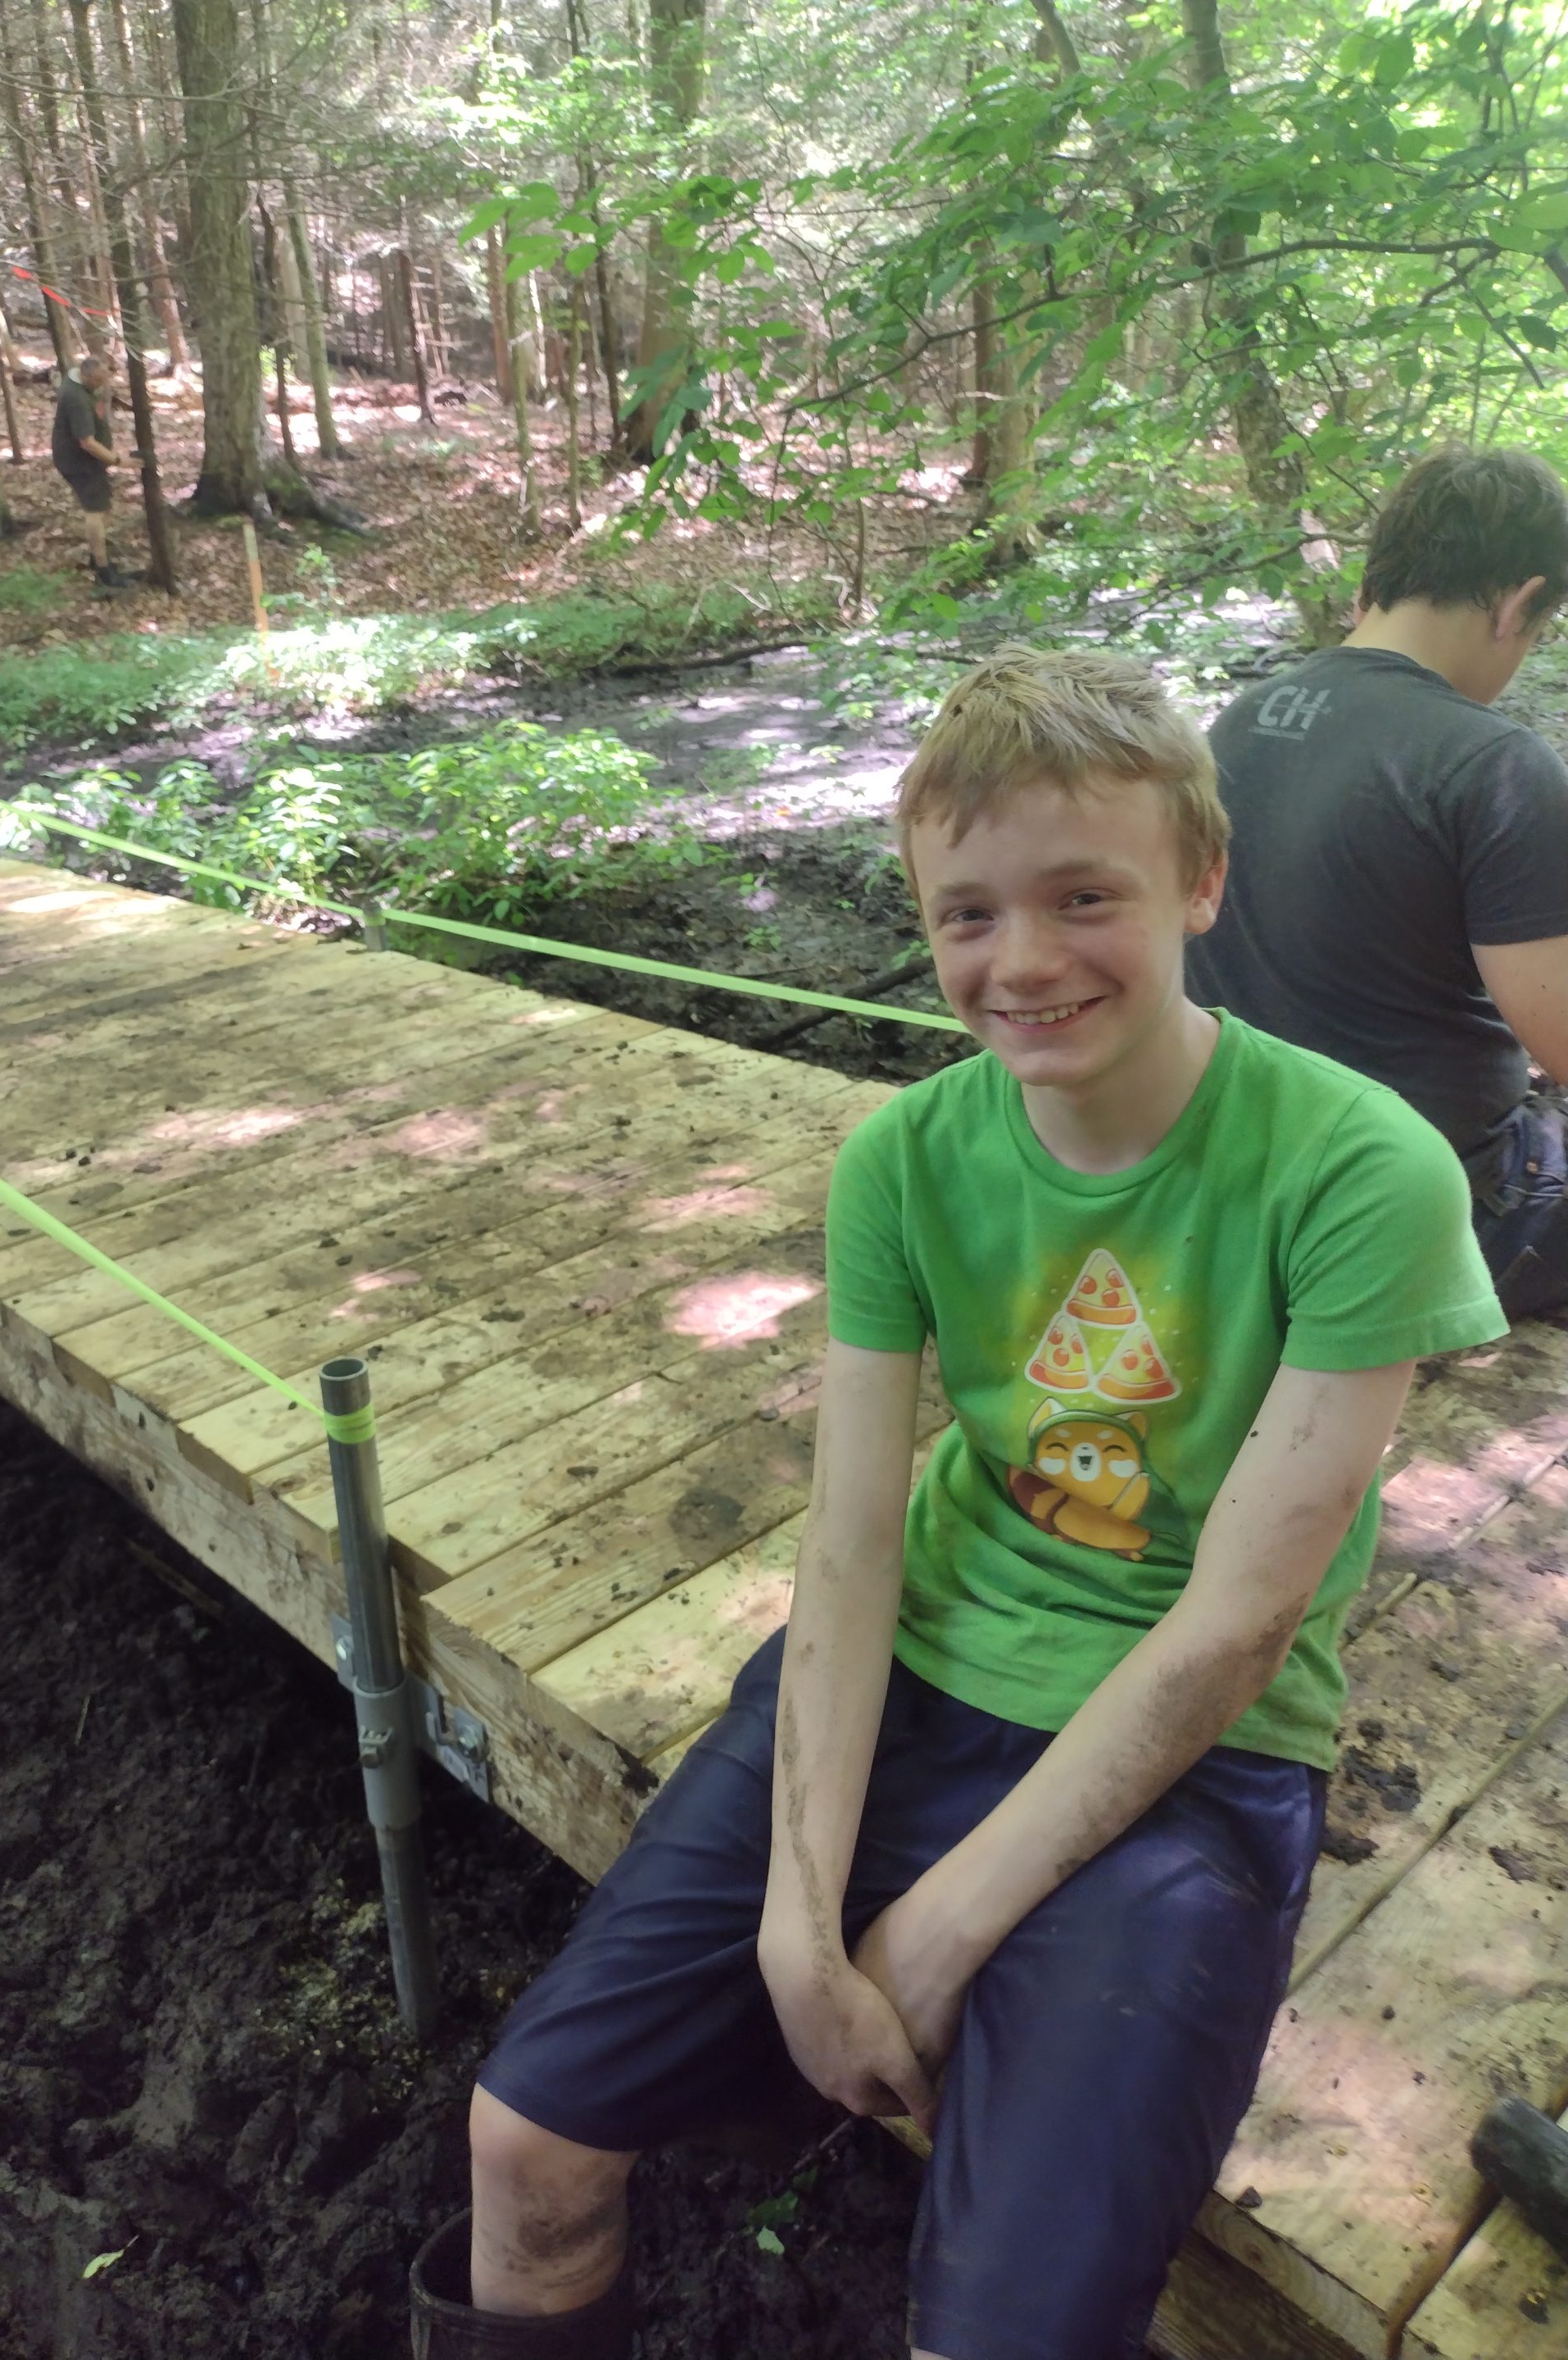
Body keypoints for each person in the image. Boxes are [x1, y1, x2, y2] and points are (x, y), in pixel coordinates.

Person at [406, 647, 1506, 2360]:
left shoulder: (1362, 1171)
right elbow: (845, 1550)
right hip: (909, 1683)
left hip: (1196, 1770)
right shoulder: (905, 1159)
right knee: (523, 2140)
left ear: (1202, 881)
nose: (1026, 963)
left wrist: (933, 1932)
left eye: (1086, 898)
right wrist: (799, 1920)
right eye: (968, 916)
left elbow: (1237, 1622)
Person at [1188, 443, 1568, 1316]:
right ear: (1521, 603)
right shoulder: (1494, 763)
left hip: (1239, 1191)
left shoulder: (1243, 719)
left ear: (1373, 584)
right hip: (1433, 1212)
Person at [50, 347, 129, 589]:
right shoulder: (77, 398)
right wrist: (117, 460)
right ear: (86, 377)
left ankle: (98, 556)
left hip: (89, 461)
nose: (101, 386)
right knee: (95, 511)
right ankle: (103, 570)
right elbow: (87, 442)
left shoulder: (77, 377)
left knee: (103, 507)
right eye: (98, 382)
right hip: (79, 462)